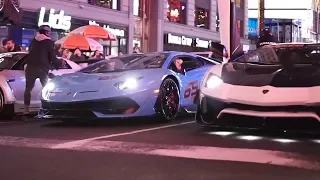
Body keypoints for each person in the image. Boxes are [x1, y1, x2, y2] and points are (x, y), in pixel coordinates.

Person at [23, 25, 64, 115]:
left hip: (30, 66)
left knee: (28, 88)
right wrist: (59, 62)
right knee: (46, 88)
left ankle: (26, 110)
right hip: (42, 67)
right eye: (49, 32)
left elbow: (29, 52)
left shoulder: (33, 40)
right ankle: (45, 108)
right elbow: (52, 57)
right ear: (46, 32)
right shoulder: (48, 42)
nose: (49, 34)